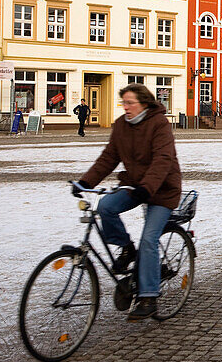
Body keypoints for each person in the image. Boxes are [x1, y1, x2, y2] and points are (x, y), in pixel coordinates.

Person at [70, 84, 182, 322]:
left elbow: (163, 160)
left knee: (149, 238)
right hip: (135, 185)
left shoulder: (159, 123)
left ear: (144, 103)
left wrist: (147, 188)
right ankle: (127, 249)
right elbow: (109, 157)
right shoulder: (121, 125)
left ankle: (149, 297)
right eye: (124, 103)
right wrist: (85, 182)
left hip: (162, 190)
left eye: (130, 102)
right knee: (105, 207)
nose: (126, 107)